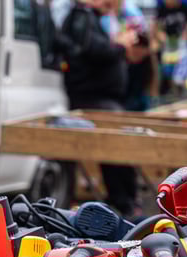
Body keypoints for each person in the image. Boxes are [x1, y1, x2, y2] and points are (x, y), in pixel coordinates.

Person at [55, 0, 147, 215]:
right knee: (115, 148)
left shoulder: (90, 18)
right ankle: (124, 202)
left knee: (117, 148)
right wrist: (120, 45)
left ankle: (125, 200)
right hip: (93, 98)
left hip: (103, 99)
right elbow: (91, 49)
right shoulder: (81, 16)